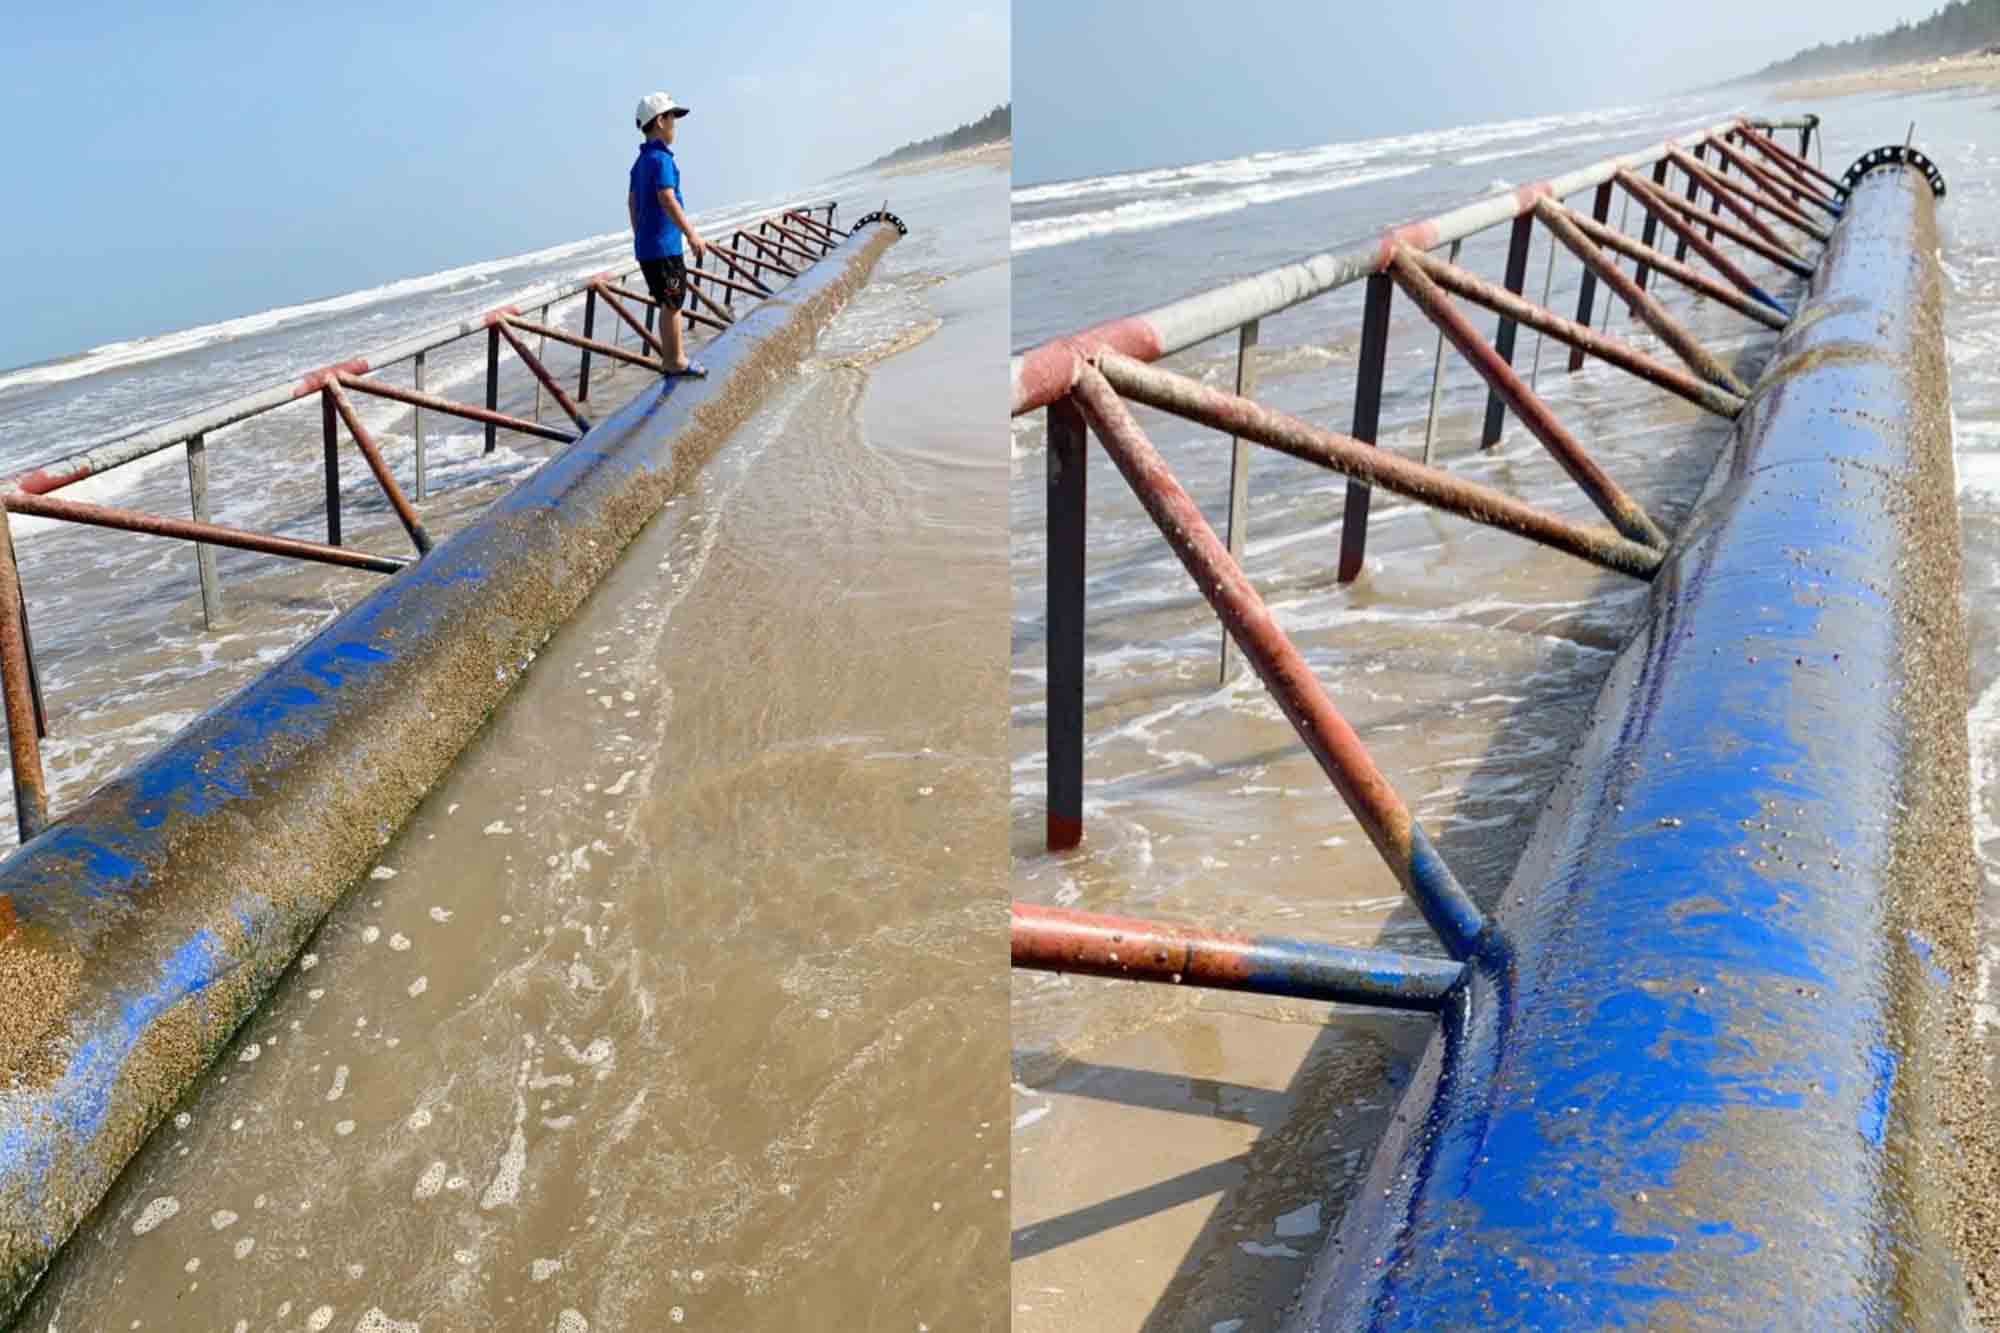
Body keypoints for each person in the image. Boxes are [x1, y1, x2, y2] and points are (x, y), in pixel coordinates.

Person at [629, 92, 709, 378]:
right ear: (660, 121)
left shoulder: (640, 162)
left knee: (667, 302)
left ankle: (672, 359)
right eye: (672, 118)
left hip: (649, 247)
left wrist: (642, 235)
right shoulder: (661, 159)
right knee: (674, 303)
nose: (675, 125)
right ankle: (675, 361)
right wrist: (692, 235)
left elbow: (632, 202)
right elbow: (667, 197)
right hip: (665, 247)